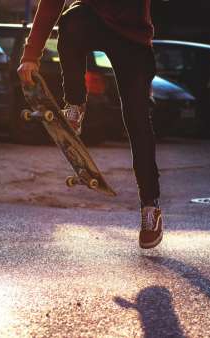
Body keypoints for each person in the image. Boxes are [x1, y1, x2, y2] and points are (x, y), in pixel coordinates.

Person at [17, 0, 163, 249]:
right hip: (92, 21)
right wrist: (31, 55)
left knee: (137, 121)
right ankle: (74, 105)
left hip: (133, 38)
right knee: (73, 20)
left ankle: (150, 207)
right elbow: (52, 3)